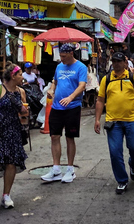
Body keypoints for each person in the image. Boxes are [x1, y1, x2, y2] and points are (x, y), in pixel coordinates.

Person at [94, 51, 134, 194]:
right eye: (114, 61)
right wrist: (97, 119)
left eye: (119, 61)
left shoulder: (131, 77)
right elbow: (100, 100)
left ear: (125, 62)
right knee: (115, 152)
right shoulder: (106, 79)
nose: (116, 64)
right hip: (113, 122)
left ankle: (133, 165)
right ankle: (122, 180)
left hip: (131, 120)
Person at [0, 63, 29, 215]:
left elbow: (24, 114)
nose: (22, 77)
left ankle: (6, 195)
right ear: (13, 76)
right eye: (20, 74)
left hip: (13, 130)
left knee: (11, 163)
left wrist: (24, 111)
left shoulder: (20, 91)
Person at [40, 43, 88, 183]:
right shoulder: (59, 66)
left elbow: (82, 85)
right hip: (57, 107)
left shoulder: (81, 67)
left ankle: (70, 169)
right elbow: (54, 81)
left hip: (72, 107)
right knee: (54, 136)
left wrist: (71, 97)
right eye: (60, 56)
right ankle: (56, 169)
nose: (61, 59)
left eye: (64, 56)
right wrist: (51, 90)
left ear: (71, 54)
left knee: (69, 137)